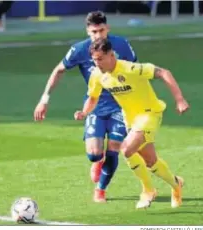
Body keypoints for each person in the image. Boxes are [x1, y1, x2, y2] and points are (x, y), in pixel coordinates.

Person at [34, 11, 137, 202]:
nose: (98, 35)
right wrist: (44, 99)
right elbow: (58, 70)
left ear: (108, 28)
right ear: (88, 32)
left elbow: (136, 71)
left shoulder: (121, 44)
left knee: (114, 148)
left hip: (120, 107)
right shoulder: (80, 50)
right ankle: (97, 161)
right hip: (95, 106)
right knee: (94, 154)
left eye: (101, 30)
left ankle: (100, 189)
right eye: (94, 32)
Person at [74, 38, 189, 209]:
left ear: (111, 55)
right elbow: (93, 97)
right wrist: (84, 112)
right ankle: (175, 184)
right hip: (130, 118)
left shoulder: (131, 68)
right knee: (150, 161)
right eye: (94, 59)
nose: (96, 63)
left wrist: (179, 99)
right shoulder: (98, 75)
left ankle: (148, 190)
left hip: (149, 114)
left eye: (100, 59)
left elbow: (164, 73)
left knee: (127, 149)